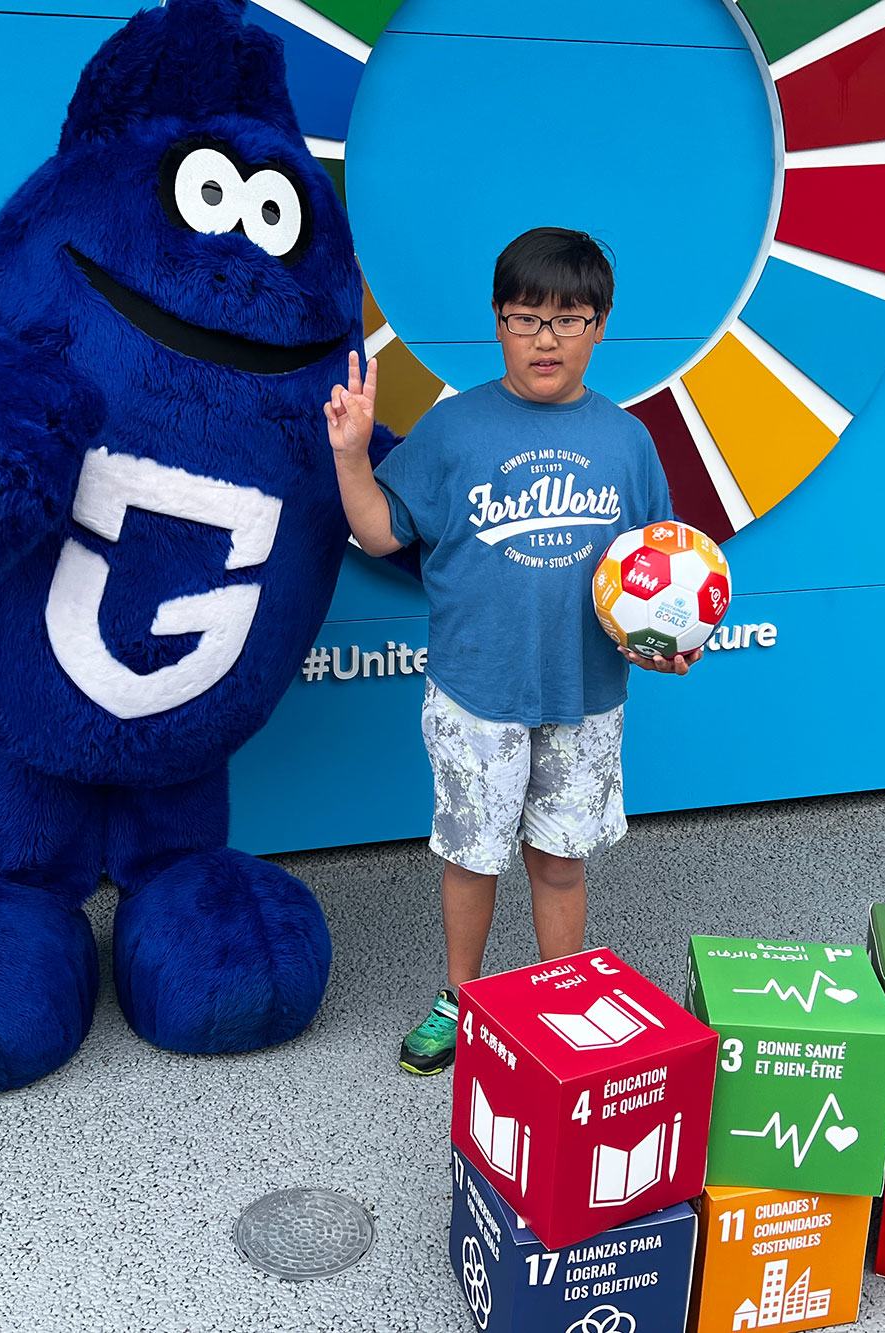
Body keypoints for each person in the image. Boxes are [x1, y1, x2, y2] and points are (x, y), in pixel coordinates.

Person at [325, 227, 701, 1076]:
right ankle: (462, 999)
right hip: (474, 697)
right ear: (498, 322)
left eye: (569, 319)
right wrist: (352, 456)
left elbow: (656, 577)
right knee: (471, 857)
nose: (546, 337)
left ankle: (562, 998)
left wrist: (664, 645)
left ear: (601, 326)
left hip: (585, 697)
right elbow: (381, 531)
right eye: (526, 316)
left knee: (560, 862)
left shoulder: (627, 443)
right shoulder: (455, 429)